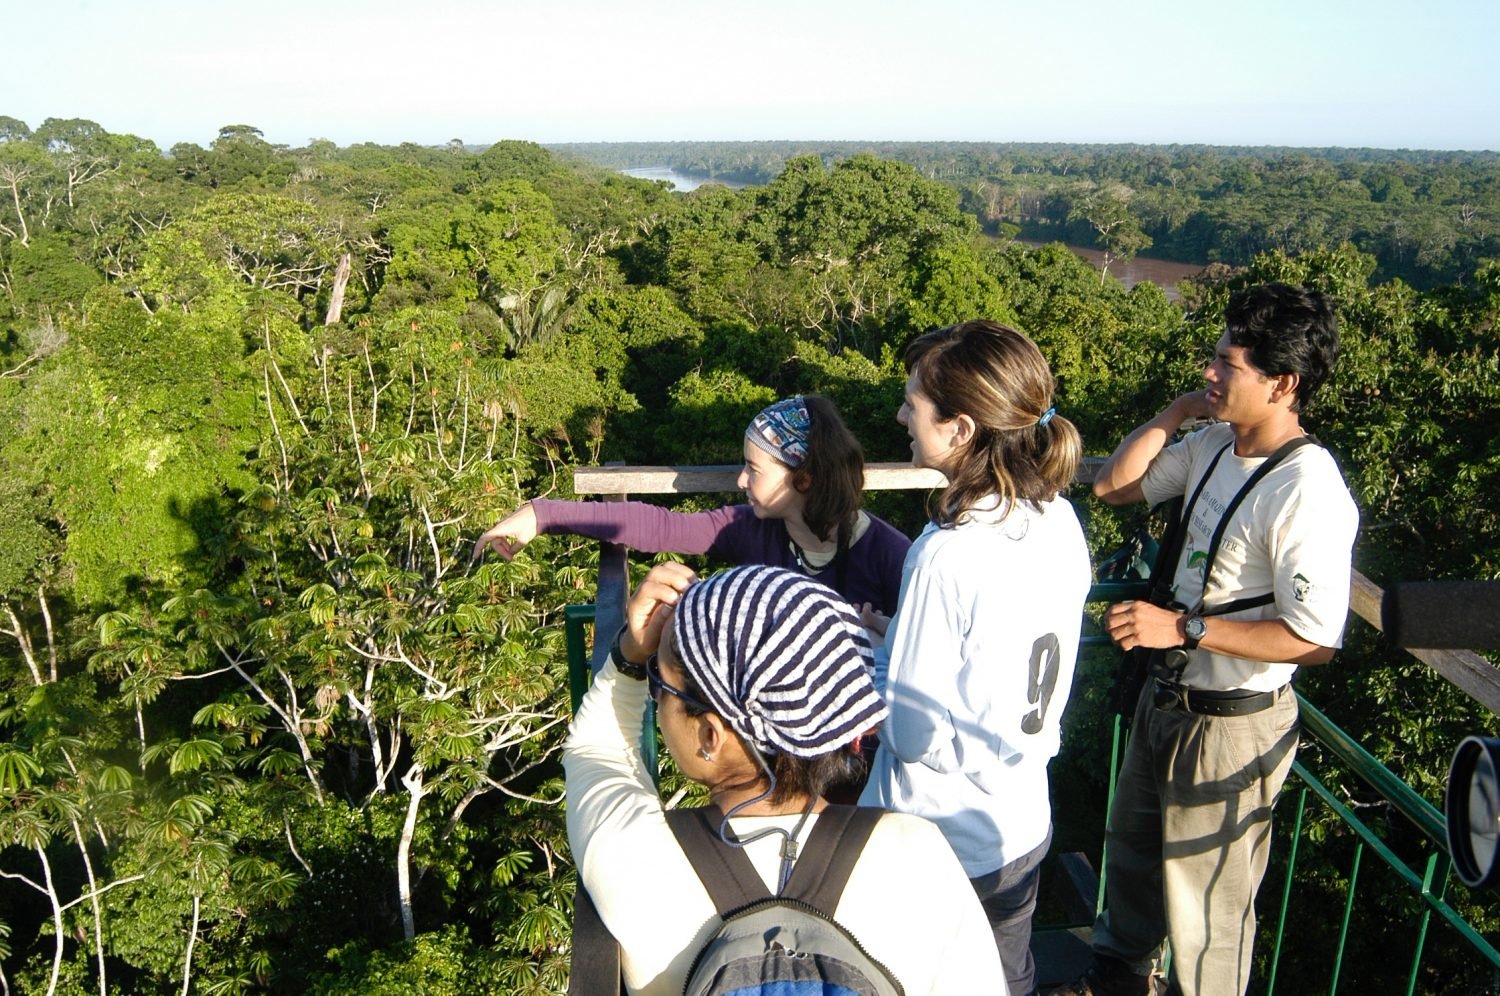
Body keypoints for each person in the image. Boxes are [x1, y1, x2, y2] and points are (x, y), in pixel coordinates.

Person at [1054, 283, 1359, 996]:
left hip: (1232, 724)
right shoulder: (1216, 444)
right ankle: (1120, 979)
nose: (1210, 374)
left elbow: (1316, 639)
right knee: (1130, 863)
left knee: (1209, 909)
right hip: (1169, 696)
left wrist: (1186, 627)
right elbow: (1116, 487)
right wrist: (1178, 413)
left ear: (1282, 383)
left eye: (1228, 365)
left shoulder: (1307, 489)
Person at [564, 562, 1006, 995]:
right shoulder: (917, 856)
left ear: (709, 735)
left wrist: (627, 659)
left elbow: (592, 749)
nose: (656, 698)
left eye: (661, 683)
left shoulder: (637, 858)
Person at [859, 320, 1091, 996]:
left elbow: (913, 735)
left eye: (914, 403)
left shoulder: (947, 552)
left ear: (960, 429)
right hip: (1019, 822)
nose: (902, 414)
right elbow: (997, 650)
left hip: (939, 839)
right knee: (1005, 980)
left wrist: (881, 661)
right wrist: (898, 639)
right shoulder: (1056, 517)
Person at [473, 394, 911, 615]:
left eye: (754, 470)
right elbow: (659, 526)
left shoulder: (889, 555)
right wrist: (544, 514)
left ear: (804, 477)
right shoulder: (749, 528)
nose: (740, 480)